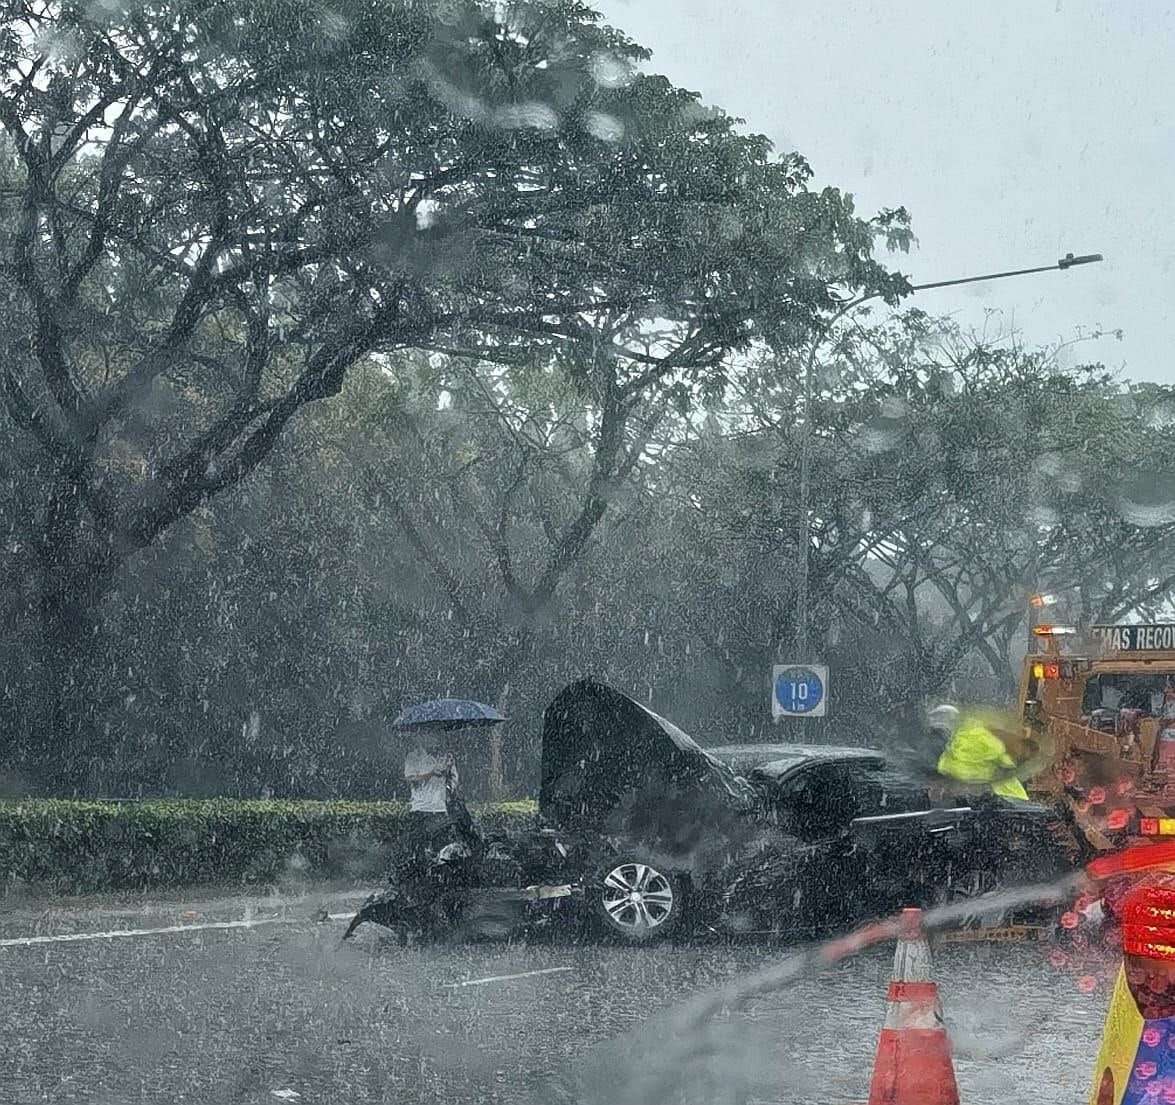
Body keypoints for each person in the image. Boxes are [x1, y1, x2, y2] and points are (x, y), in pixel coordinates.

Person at [934, 704, 1029, 801]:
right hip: (997, 799)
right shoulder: (975, 734)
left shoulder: (945, 758)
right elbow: (1005, 759)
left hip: (995, 799)